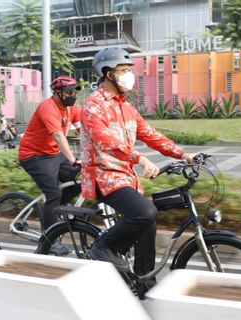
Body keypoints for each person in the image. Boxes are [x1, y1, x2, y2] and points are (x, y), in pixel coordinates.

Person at [80, 47, 195, 283]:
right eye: (123, 70)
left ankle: (145, 281)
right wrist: (139, 159)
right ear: (108, 73)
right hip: (103, 176)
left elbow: (150, 135)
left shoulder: (126, 107)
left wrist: (183, 154)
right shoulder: (93, 105)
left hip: (125, 177)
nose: (128, 76)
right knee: (145, 212)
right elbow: (105, 141)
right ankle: (103, 248)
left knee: (148, 224)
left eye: (128, 71)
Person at [18, 76, 82, 256]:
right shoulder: (48, 107)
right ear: (58, 93)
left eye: (74, 91)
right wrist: (73, 159)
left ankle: (56, 211)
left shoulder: (71, 109)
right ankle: (50, 240)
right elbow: (59, 137)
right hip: (34, 156)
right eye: (68, 92)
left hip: (53, 154)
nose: (72, 95)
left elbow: (84, 131)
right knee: (52, 195)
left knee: (81, 177)